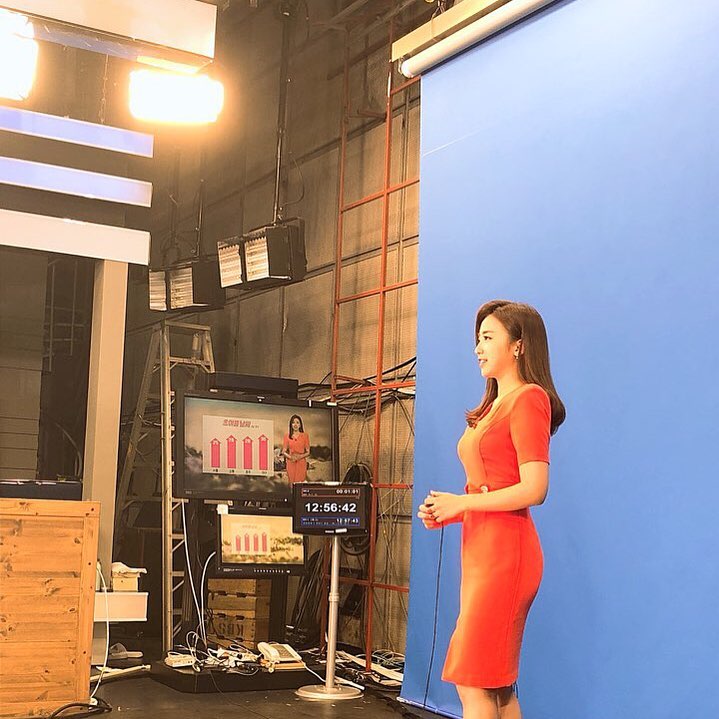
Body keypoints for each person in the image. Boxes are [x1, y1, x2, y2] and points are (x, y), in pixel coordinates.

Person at [418, 300, 565, 719]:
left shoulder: (529, 398)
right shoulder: (491, 407)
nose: (478, 348)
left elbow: (535, 488)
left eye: (487, 337)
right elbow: (490, 485)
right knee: (494, 686)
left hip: (506, 555)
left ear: (519, 345)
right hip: (482, 550)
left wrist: (463, 502)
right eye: (477, 339)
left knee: (475, 680)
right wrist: (451, 509)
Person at [282, 414, 310, 483]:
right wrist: (291, 457)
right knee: (292, 483)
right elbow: (284, 451)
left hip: (301, 463)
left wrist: (299, 457)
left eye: (297, 422)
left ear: (300, 425)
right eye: (293, 422)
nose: (295, 424)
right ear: (291, 425)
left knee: (300, 483)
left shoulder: (305, 436)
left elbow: (308, 452)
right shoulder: (287, 436)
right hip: (291, 462)